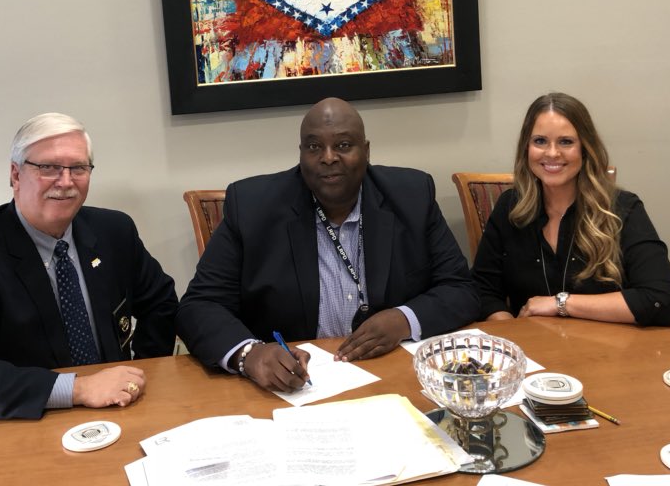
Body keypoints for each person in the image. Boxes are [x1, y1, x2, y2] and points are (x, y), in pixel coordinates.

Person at [176, 97, 479, 392]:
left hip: (390, 376)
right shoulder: (253, 206)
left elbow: (461, 289)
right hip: (293, 387)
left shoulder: (411, 196)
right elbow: (199, 306)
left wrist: (404, 320)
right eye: (314, 147)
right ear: (301, 153)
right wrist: (250, 355)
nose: (329, 157)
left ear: (367, 151)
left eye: (344, 145)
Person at [0, 113, 178, 419]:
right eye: (49, 168)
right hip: (28, 419)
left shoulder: (114, 231)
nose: (66, 181)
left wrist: (140, 371)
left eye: (78, 168)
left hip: (118, 407)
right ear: (15, 175)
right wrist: (78, 390)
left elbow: (161, 303)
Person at [472, 92, 670, 326]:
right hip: (534, 355)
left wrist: (559, 303)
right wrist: (512, 332)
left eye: (566, 141)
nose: (552, 153)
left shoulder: (622, 208)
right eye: (540, 141)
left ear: (585, 149)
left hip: (608, 353)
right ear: (526, 148)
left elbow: (663, 300)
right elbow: (482, 291)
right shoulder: (509, 208)